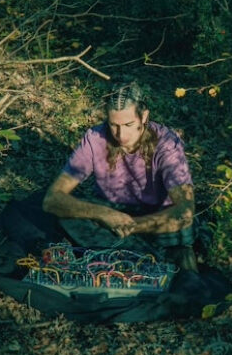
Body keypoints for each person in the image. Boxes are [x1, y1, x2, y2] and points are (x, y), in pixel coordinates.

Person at [42, 82, 198, 271]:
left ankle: (125, 256)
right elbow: (52, 199)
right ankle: (137, 258)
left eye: (128, 124)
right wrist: (103, 214)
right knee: (66, 213)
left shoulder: (166, 143)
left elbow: (185, 212)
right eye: (113, 125)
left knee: (182, 229)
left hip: (153, 218)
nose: (121, 134)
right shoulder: (94, 138)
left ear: (144, 116)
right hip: (110, 214)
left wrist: (132, 226)